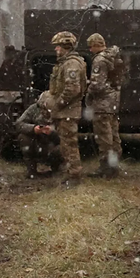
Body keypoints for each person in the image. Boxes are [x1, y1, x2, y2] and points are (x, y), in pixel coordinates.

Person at [46, 30, 86, 182]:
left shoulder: (71, 64)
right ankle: (70, 173)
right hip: (64, 111)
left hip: (67, 111)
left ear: (65, 46)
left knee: (69, 145)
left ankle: (74, 176)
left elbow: (72, 89)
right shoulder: (66, 62)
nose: (56, 49)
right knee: (65, 145)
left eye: (58, 46)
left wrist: (58, 104)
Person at [86, 33, 124, 176]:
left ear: (96, 45)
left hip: (102, 104)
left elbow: (97, 85)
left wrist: (88, 91)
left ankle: (105, 168)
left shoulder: (100, 61)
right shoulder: (114, 57)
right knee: (114, 136)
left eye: (91, 47)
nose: (90, 50)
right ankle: (114, 165)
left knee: (104, 137)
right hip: (113, 102)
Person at [15, 92, 62, 178]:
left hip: (53, 143)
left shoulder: (61, 110)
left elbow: (65, 134)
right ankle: (31, 170)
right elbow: (19, 124)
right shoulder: (34, 109)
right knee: (23, 138)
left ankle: (57, 169)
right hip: (38, 141)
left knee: (63, 146)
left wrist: (52, 132)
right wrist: (33, 129)